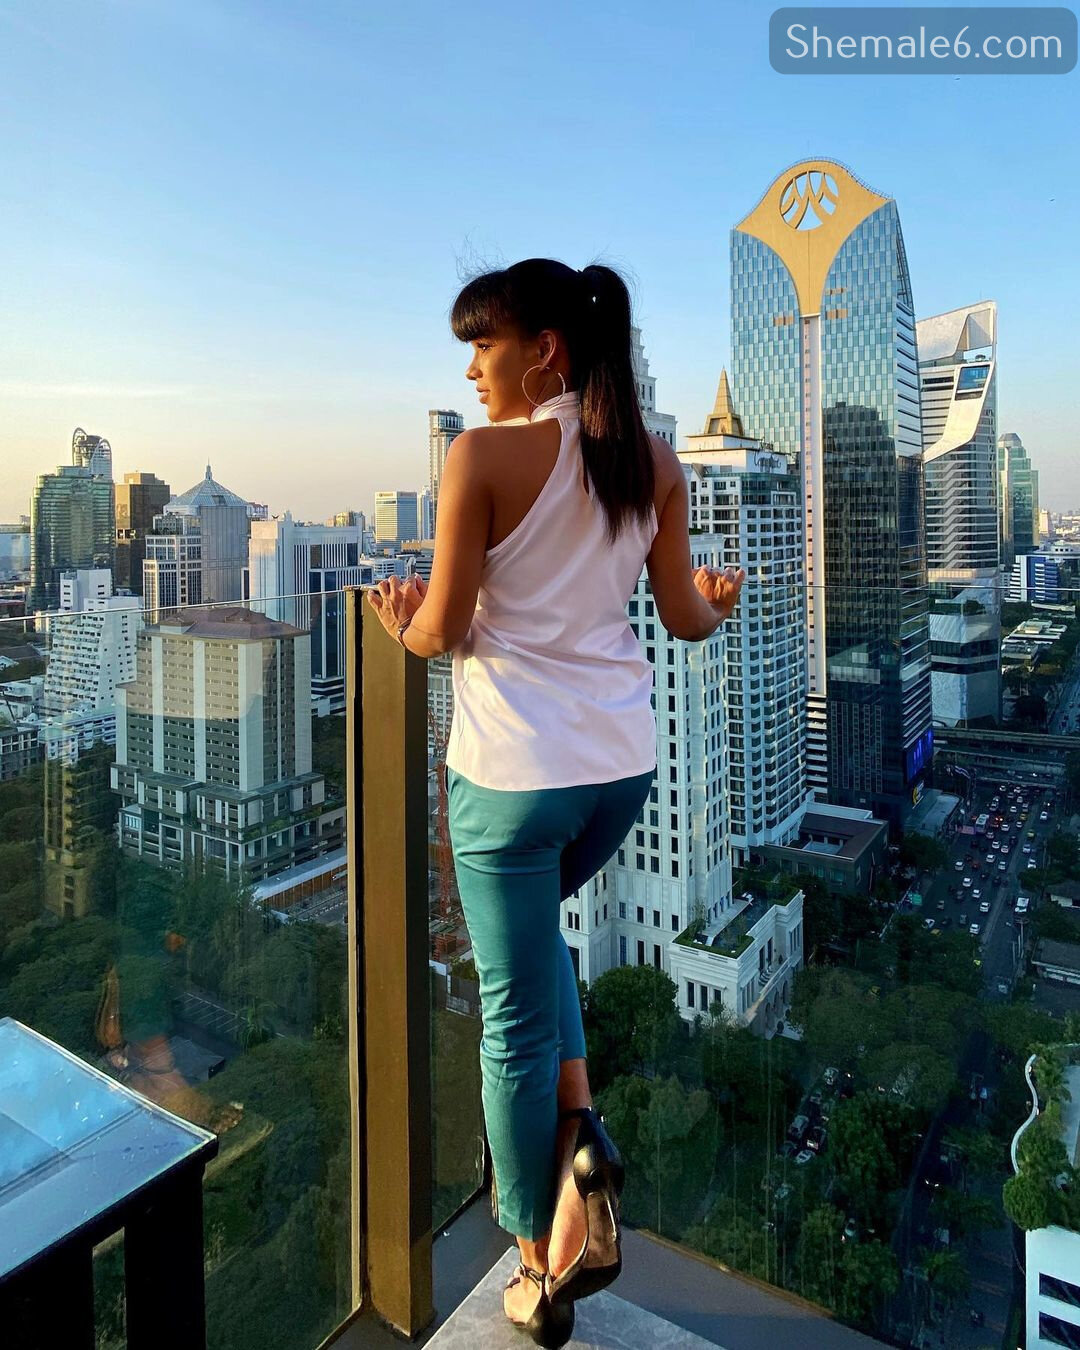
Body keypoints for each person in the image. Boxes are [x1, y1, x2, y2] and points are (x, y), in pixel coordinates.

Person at [367, 258, 744, 1346]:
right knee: (538, 960)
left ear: (546, 351)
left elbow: (442, 629)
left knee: (514, 1019)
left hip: (512, 783)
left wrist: (398, 622)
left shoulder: (480, 456)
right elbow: (682, 619)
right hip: (619, 774)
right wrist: (716, 602)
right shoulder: (652, 463)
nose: (472, 372)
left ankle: (538, 1263)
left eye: (483, 346)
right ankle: (582, 1140)